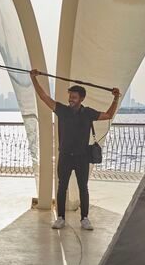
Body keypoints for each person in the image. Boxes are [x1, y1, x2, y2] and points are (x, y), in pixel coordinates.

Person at [30, 72, 120, 230]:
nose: (70, 99)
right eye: (70, 96)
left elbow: (108, 115)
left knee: (83, 188)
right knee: (61, 187)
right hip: (65, 156)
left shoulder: (88, 112)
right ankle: (60, 218)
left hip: (82, 157)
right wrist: (34, 79)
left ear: (82, 98)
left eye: (74, 97)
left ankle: (84, 218)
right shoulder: (62, 110)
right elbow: (44, 97)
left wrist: (116, 98)